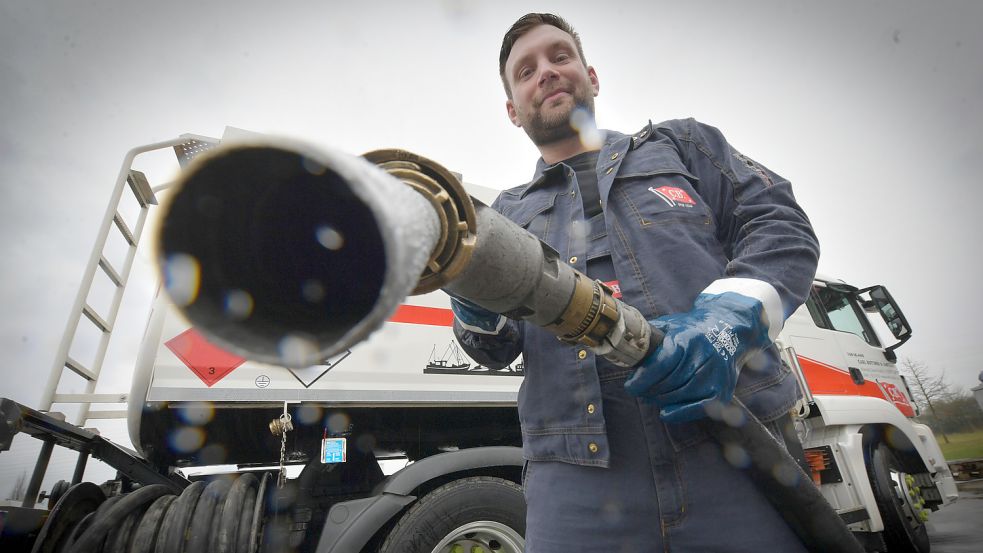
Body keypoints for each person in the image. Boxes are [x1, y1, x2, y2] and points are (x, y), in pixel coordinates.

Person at [451, 12, 821, 553]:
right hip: (576, 487)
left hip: (738, 445)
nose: (546, 73)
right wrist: (470, 290)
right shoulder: (502, 217)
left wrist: (727, 321)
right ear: (513, 110)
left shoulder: (682, 145)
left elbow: (778, 222)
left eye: (560, 57)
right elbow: (494, 348)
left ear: (591, 76)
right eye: (525, 71)